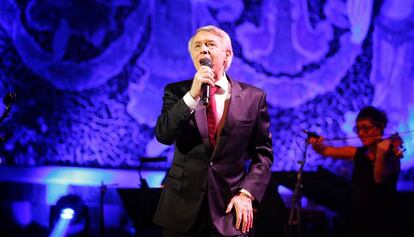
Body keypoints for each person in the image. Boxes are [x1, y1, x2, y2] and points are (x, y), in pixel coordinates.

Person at [152, 25, 273, 237]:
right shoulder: (176, 92)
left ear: (227, 56)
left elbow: (262, 155)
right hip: (181, 208)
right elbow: (164, 135)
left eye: (210, 45)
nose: (203, 51)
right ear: (192, 57)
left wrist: (247, 193)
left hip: (230, 209)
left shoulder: (253, 97)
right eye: (197, 47)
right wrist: (191, 96)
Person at [309, 106, 402, 237]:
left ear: (379, 127)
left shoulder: (391, 154)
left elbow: (378, 178)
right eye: (357, 129)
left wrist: (381, 155)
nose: (360, 133)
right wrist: (317, 145)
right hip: (358, 220)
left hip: (382, 222)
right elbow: (325, 150)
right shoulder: (357, 152)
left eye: (365, 128)